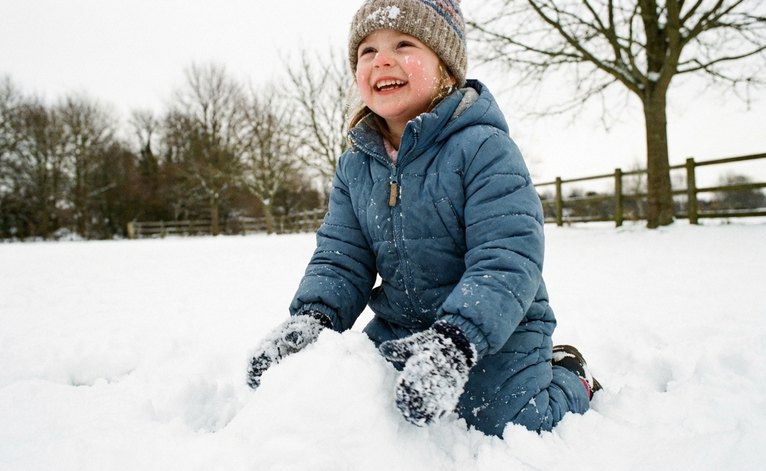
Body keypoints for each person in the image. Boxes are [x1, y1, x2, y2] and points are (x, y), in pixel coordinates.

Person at [247, 0, 601, 438]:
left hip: (495, 329)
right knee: (355, 403)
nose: (383, 60)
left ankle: (569, 374)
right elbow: (341, 258)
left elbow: (507, 257)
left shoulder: (483, 149)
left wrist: (455, 342)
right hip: (402, 327)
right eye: (367, 51)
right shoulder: (356, 165)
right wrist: (314, 319)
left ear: (447, 70)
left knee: (505, 420)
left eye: (404, 44)